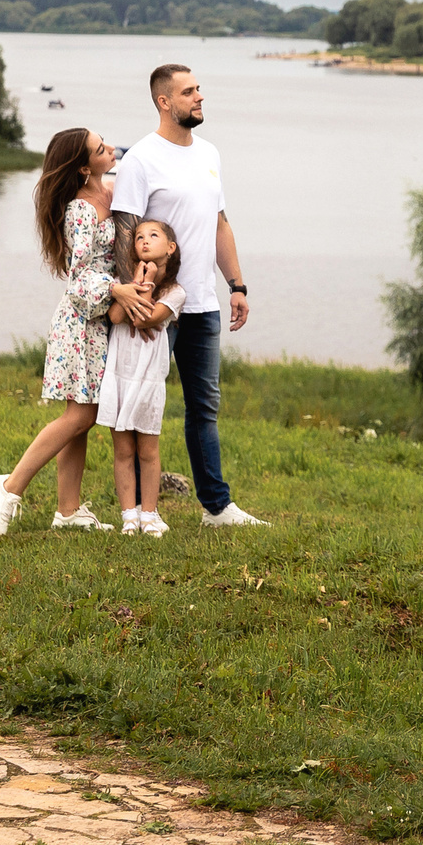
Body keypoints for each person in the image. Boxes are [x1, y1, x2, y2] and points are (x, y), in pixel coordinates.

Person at [109, 62, 267, 527]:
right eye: (189, 92)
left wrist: (236, 284)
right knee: (140, 404)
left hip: (202, 304)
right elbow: (124, 234)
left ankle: (216, 507)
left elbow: (219, 223)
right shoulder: (140, 159)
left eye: (199, 89)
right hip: (157, 309)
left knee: (204, 406)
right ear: (165, 102)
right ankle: (136, 511)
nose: (200, 97)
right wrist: (136, 299)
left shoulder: (210, 152)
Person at [0, 128, 157, 535]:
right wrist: (117, 289)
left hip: (100, 321)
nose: (111, 148)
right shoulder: (81, 210)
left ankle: (68, 510)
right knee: (82, 414)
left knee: (82, 414)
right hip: (80, 324)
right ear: (84, 167)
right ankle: (9, 487)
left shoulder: (110, 193)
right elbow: (78, 278)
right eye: (101, 149)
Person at [97, 218, 184, 536]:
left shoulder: (175, 292)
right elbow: (117, 315)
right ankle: (128, 515)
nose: (144, 241)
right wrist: (138, 277)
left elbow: (147, 320)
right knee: (122, 451)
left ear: (170, 248)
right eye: (139, 237)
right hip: (119, 377)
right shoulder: (127, 281)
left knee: (148, 451)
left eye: (153, 236)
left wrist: (140, 289)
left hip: (148, 381)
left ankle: (149, 513)